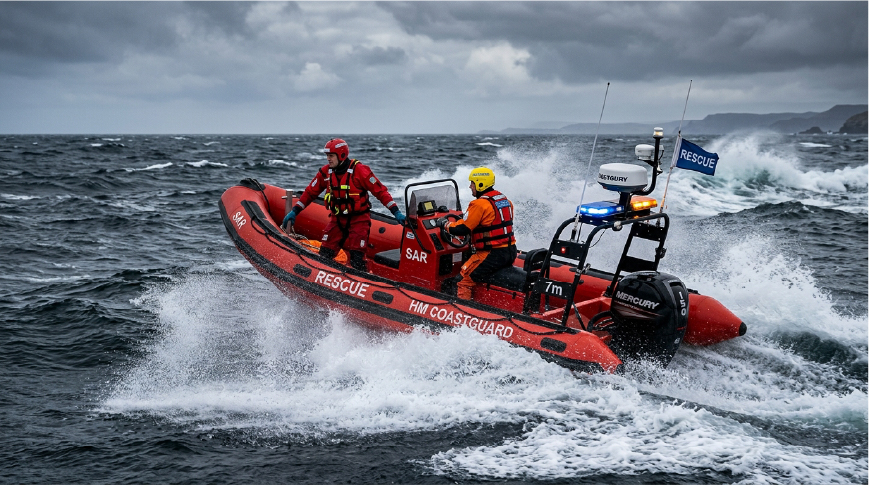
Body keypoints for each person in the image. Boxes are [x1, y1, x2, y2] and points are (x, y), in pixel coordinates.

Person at [282, 138, 406, 271]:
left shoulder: (360, 171)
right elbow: (310, 193)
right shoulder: (326, 173)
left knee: (357, 258)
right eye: (327, 156)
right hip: (337, 219)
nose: (328, 159)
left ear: (341, 155)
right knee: (325, 253)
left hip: (359, 220)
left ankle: (362, 284)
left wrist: (396, 212)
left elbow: (380, 191)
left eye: (331, 156)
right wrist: (295, 210)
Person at [438, 167, 517, 300]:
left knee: (462, 279)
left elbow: (461, 229)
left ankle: (461, 314)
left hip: (492, 254)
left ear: (481, 184)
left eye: (472, 183)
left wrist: (444, 224)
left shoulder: (479, 205)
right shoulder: (504, 200)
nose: (470, 186)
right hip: (510, 251)